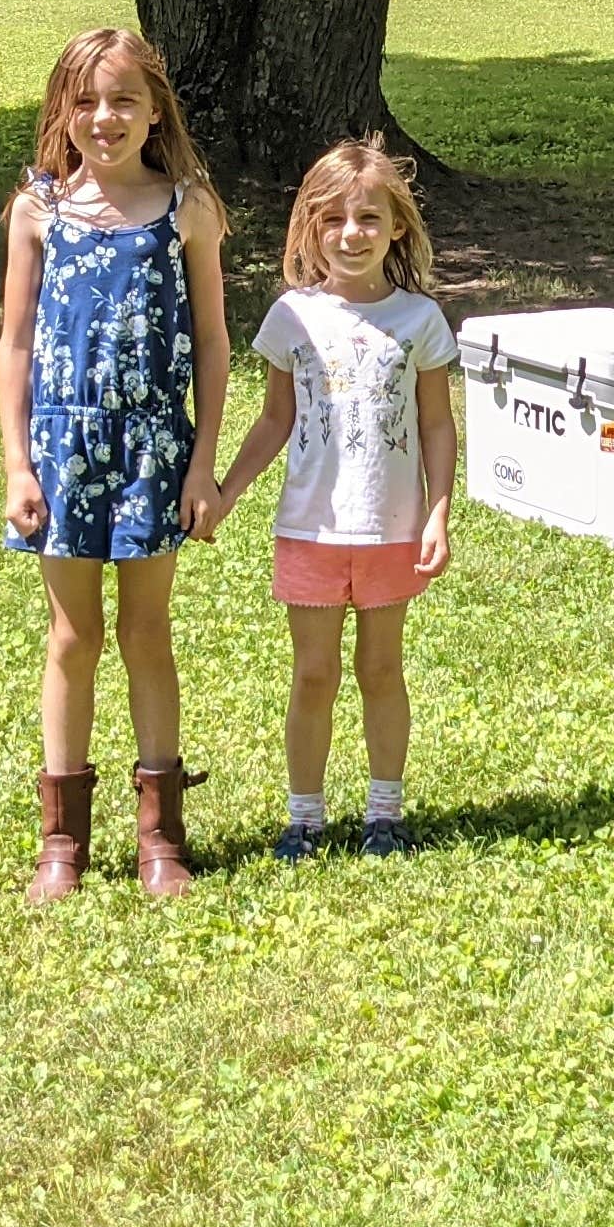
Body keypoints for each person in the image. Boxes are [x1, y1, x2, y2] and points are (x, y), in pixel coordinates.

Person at [0, 25, 229, 902]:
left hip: (154, 449)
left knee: (147, 632)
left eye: (125, 99)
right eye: (87, 101)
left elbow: (212, 342)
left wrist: (201, 465)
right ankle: (62, 841)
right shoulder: (39, 211)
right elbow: (16, 343)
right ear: (63, 112)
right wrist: (18, 464)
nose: (106, 117)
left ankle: (161, 836)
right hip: (63, 450)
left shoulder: (186, 209)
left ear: (155, 109)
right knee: (72, 636)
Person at [211, 137, 459, 861]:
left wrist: (439, 511)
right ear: (310, 229)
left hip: (391, 531)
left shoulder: (420, 321)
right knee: (313, 674)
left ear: (397, 228)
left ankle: (385, 814)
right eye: (333, 220)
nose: (352, 234)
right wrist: (225, 494)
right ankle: (305, 819)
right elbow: (274, 420)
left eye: (369, 218)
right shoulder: (293, 318)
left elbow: (437, 425)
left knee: (382, 671)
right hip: (310, 531)